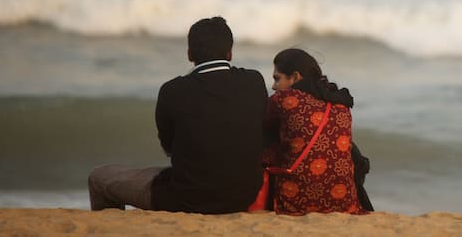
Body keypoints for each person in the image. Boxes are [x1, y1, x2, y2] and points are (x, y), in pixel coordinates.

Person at [88, 16, 268, 214]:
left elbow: (169, 147)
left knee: (99, 178)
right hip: (243, 196)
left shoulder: (172, 90)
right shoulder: (255, 82)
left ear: (190, 54)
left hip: (188, 198)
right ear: (230, 53)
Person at [261, 48, 370, 214]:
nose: (274, 86)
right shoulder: (341, 103)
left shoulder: (285, 98)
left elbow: (260, 124)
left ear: (295, 77)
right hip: (344, 203)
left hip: (296, 201)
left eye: (277, 79)